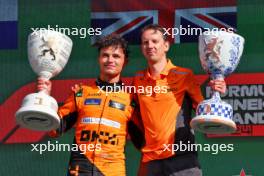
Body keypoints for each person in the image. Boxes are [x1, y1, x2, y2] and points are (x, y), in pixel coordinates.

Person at [133, 24, 226, 176]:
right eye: (145, 42)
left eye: (155, 41)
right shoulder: (137, 79)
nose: (150, 45)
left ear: (166, 45)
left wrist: (217, 93)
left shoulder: (184, 75)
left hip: (182, 162)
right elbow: (130, 114)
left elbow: (203, 110)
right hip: (151, 163)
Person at [37, 34, 135, 176]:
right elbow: (54, 130)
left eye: (116, 56)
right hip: (79, 171)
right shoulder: (81, 93)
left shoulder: (130, 99)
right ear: (99, 59)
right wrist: (45, 97)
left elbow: (144, 142)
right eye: (105, 55)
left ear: (125, 61)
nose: (110, 60)